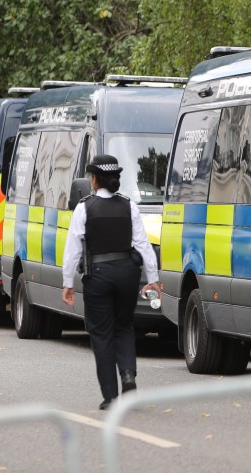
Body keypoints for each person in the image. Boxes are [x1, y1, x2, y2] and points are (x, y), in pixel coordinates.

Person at [61, 154, 163, 410]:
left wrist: (68, 283)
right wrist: (153, 279)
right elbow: (143, 245)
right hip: (127, 273)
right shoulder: (129, 206)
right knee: (124, 327)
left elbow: (72, 249)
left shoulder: (84, 208)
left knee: (102, 334)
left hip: (98, 275)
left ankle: (110, 396)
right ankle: (128, 375)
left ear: (94, 180)